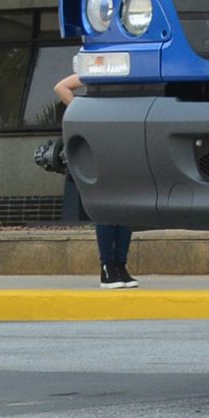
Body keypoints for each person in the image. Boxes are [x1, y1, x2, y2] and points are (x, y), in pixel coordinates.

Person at [52, 72, 137, 288]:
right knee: (106, 206)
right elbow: (61, 87)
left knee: (126, 207)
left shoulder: (130, 73)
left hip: (125, 144)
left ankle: (121, 265)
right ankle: (108, 267)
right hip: (101, 144)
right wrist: (83, 112)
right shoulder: (98, 73)